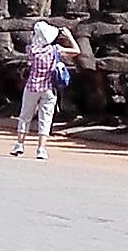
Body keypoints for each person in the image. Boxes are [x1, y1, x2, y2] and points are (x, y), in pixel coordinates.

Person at [10, 20, 80, 160]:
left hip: (32, 87)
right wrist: (69, 36)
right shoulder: (55, 50)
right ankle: (41, 148)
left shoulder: (31, 50)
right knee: (46, 118)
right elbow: (77, 51)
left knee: (25, 116)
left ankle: (20, 144)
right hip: (48, 88)